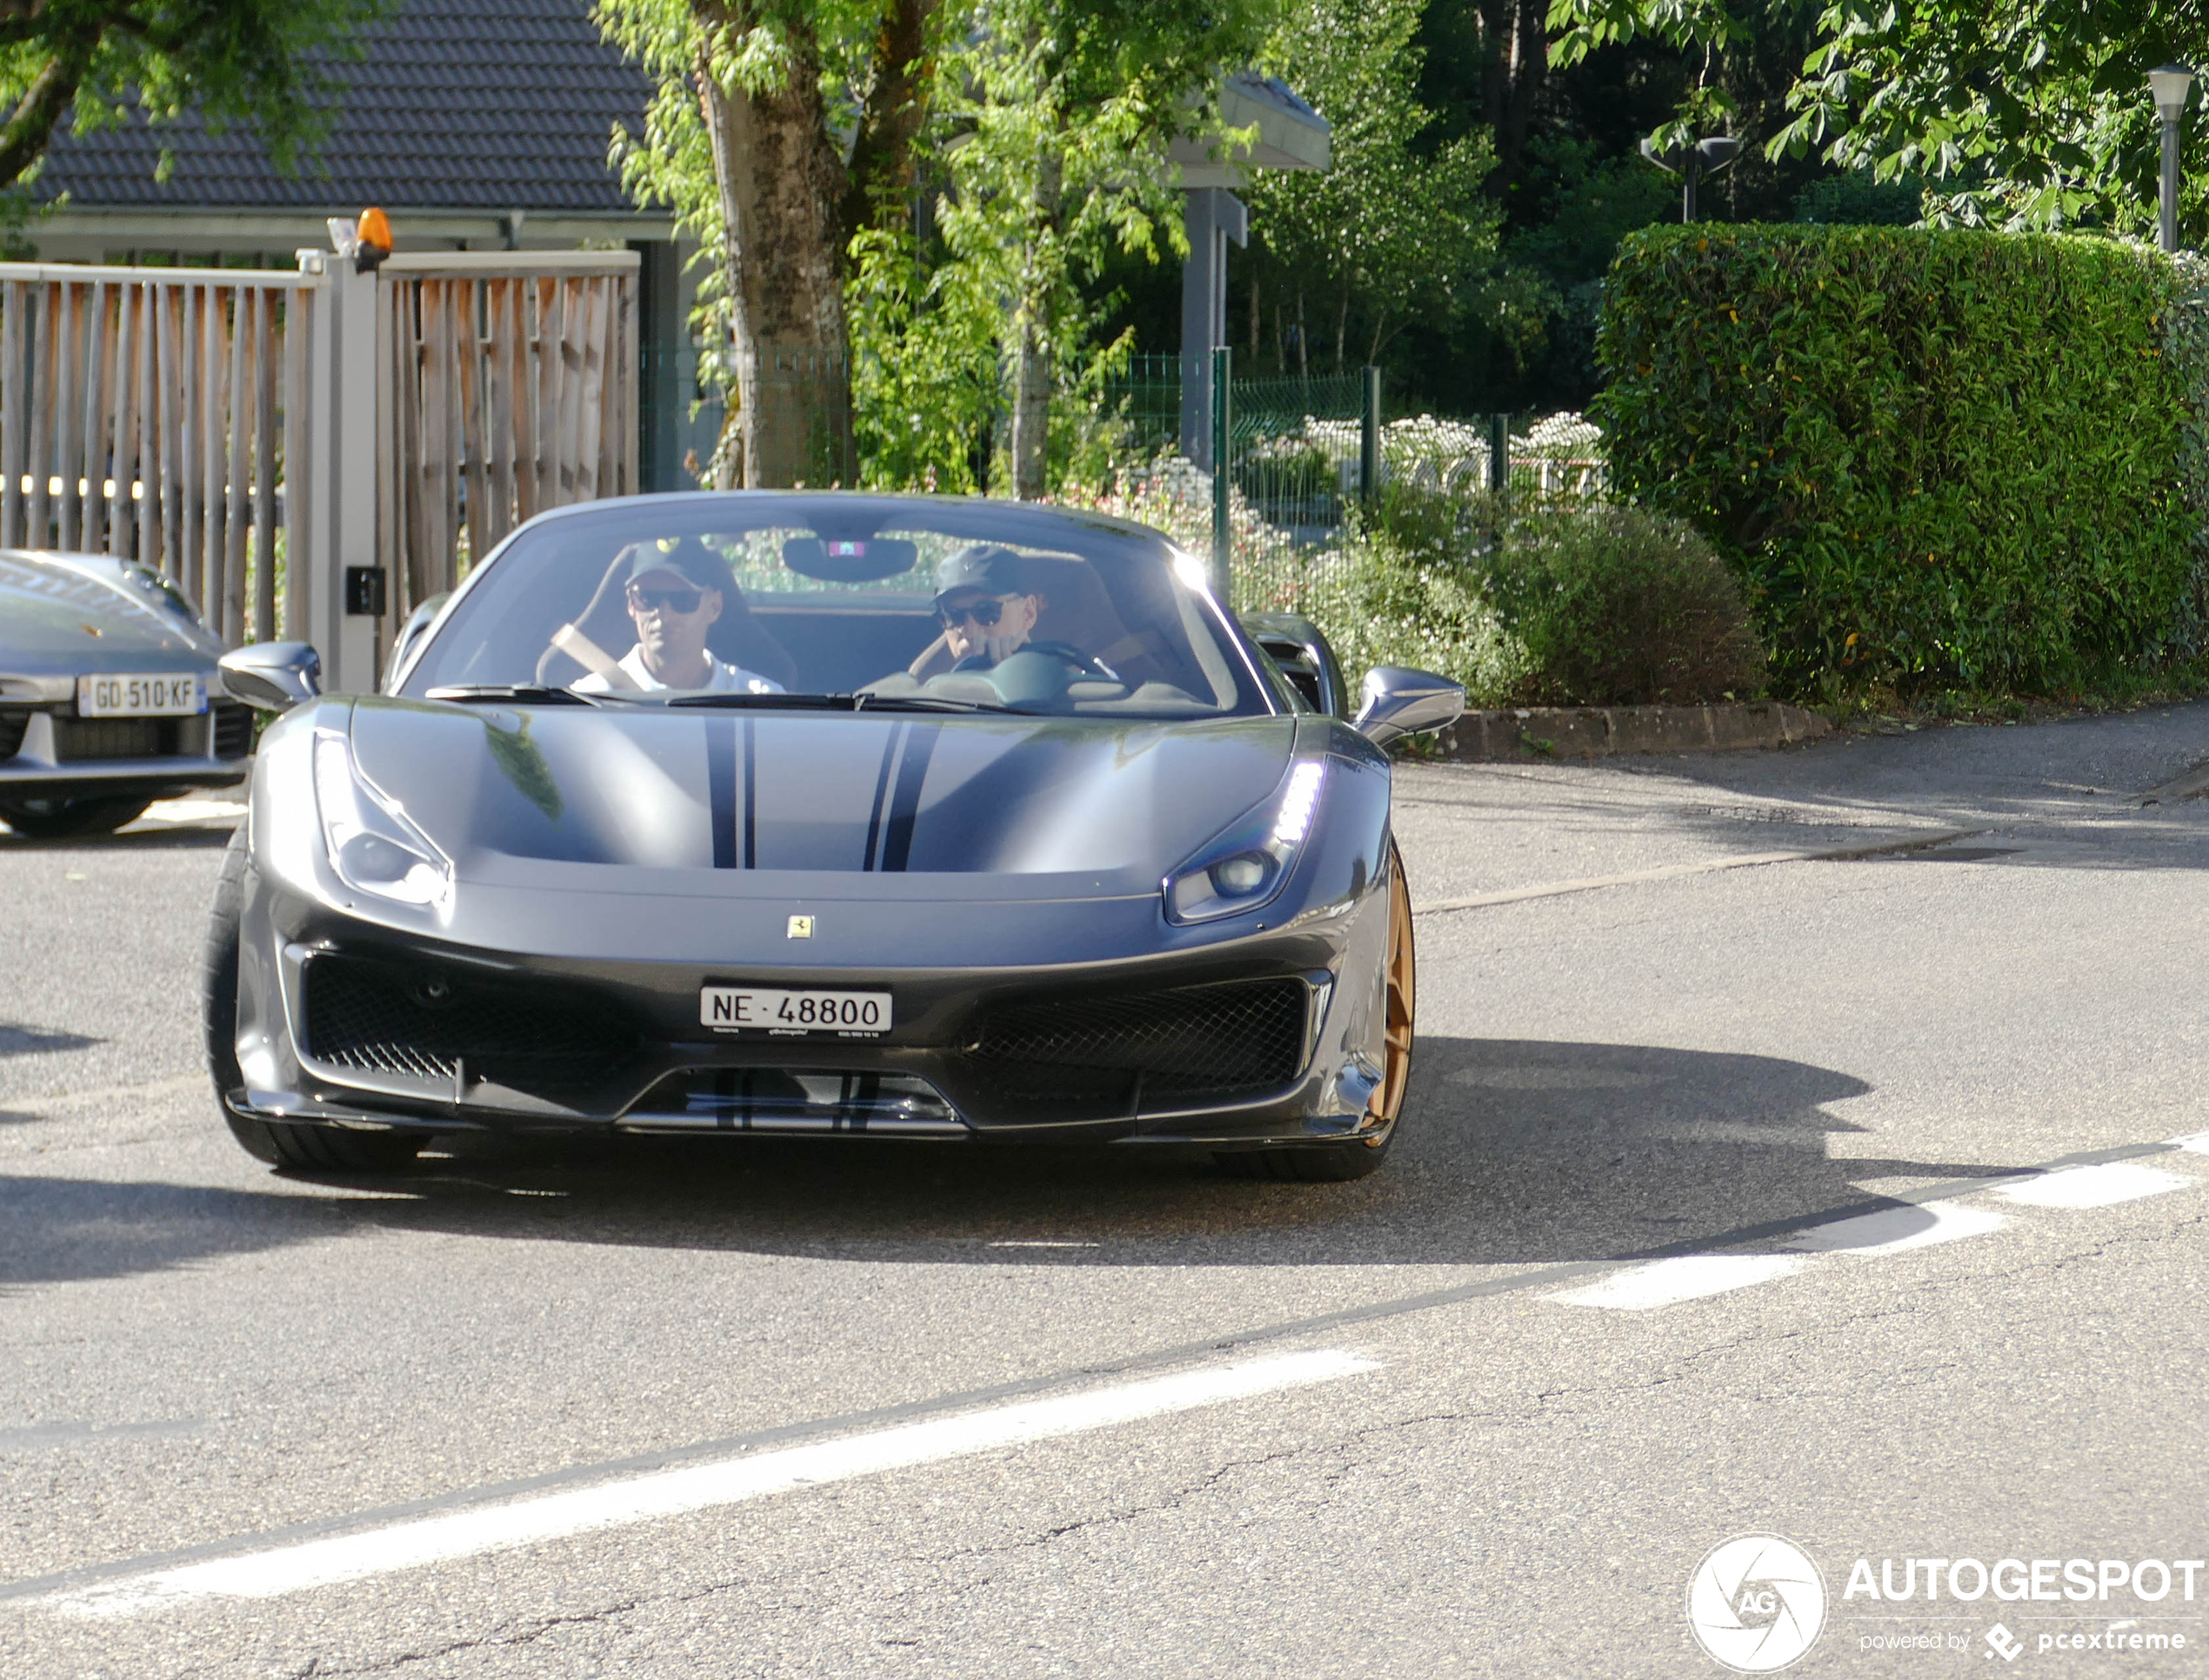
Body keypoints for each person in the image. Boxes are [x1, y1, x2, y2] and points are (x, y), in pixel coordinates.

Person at [575, 543, 784, 694]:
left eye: (683, 599)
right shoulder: (591, 702)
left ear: (714, 606)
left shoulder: (761, 704)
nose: (664, 613)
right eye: (648, 598)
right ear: (631, 604)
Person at [932, 544, 1091, 672]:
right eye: (954, 616)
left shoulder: (1068, 687)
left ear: (1028, 613)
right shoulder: (924, 699)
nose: (969, 631)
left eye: (986, 612)